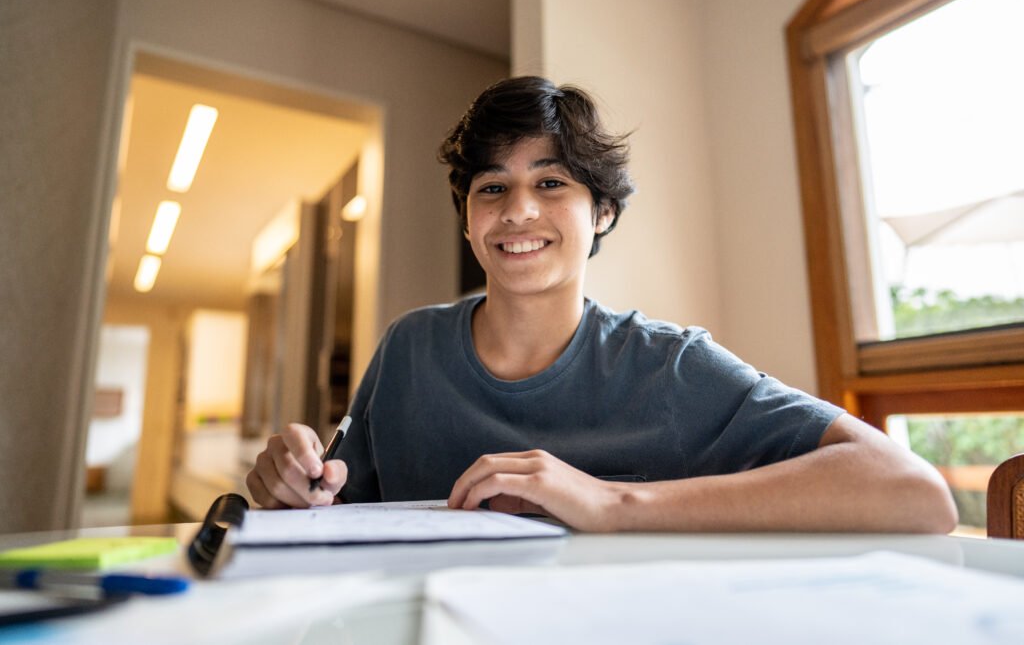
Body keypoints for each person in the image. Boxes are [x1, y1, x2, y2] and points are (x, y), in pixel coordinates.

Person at [246, 76, 957, 533]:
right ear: (467, 219)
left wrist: (613, 503)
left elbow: (913, 490)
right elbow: (339, 520)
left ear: (605, 212)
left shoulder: (671, 366)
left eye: (551, 183)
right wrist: (292, 492)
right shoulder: (408, 350)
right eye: (491, 188)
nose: (518, 210)